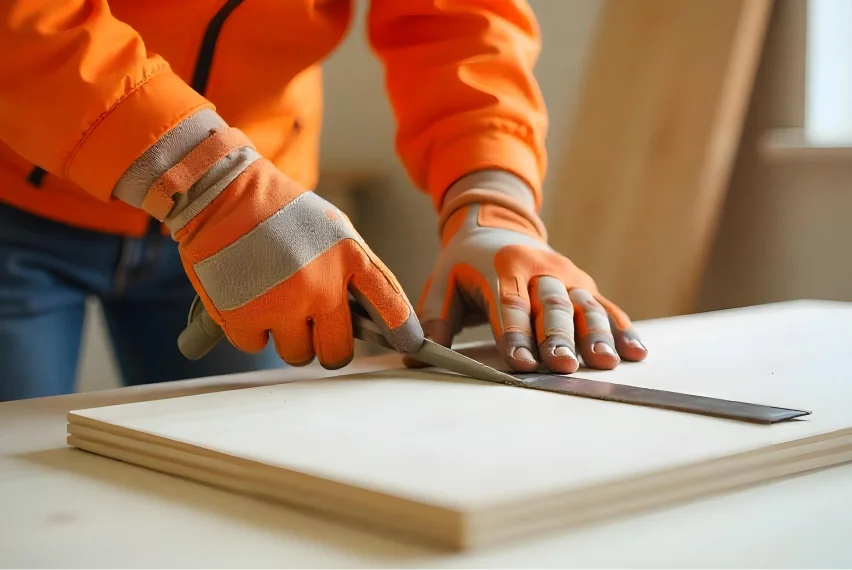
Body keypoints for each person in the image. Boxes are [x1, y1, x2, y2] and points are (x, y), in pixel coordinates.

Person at [0, 0, 647, 402]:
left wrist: (493, 199)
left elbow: (458, 19)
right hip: (20, 198)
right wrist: (205, 183)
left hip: (265, 225)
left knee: (244, 494)